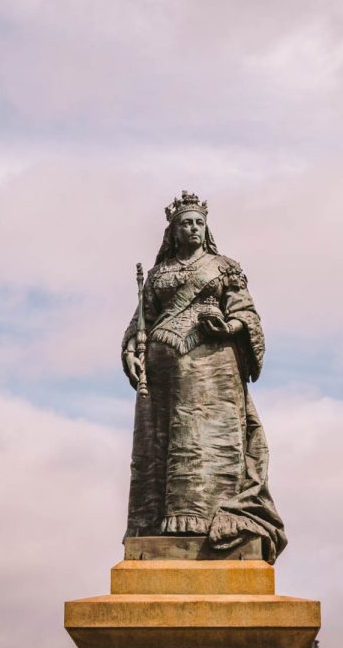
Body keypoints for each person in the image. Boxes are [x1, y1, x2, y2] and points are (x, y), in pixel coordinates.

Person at [121, 191, 286, 562]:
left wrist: (228, 326)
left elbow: (247, 313)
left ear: (206, 227)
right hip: (162, 373)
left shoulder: (223, 266)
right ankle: (159, 521)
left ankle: (212, 516)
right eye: (185, 223)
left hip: (213, 368)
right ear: (173, 231)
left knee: (205, 441)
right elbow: (139, 322)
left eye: (198, 222)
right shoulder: (158, 274)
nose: (193, 228)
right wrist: (131, 352)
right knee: (163, 445)